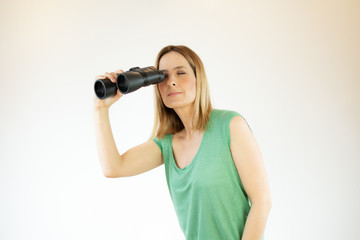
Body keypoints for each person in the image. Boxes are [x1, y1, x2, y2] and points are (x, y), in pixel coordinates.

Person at [93, 45, 272, 240]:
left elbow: (262, 201)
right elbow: (113, 167)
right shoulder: (166, 144)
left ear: (198, 79)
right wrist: (100, 109)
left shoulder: (230, 125)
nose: (172, 82)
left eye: (181, 73)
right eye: (163, 76)